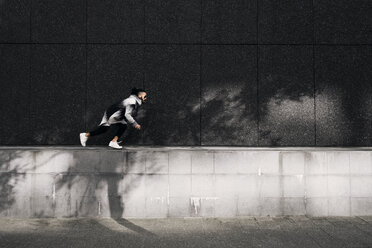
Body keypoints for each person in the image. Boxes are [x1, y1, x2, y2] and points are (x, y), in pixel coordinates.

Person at [80, 88, 147, 149]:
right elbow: (127, 115)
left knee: (104, 129)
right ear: (139, 96)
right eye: (145, 96)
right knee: (123, 126)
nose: (146, 98)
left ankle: (85, 135)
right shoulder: (132, 101)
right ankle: (113, 142)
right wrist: (135, 124)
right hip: (113, 114)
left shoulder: (131, 100)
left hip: (110, 112)